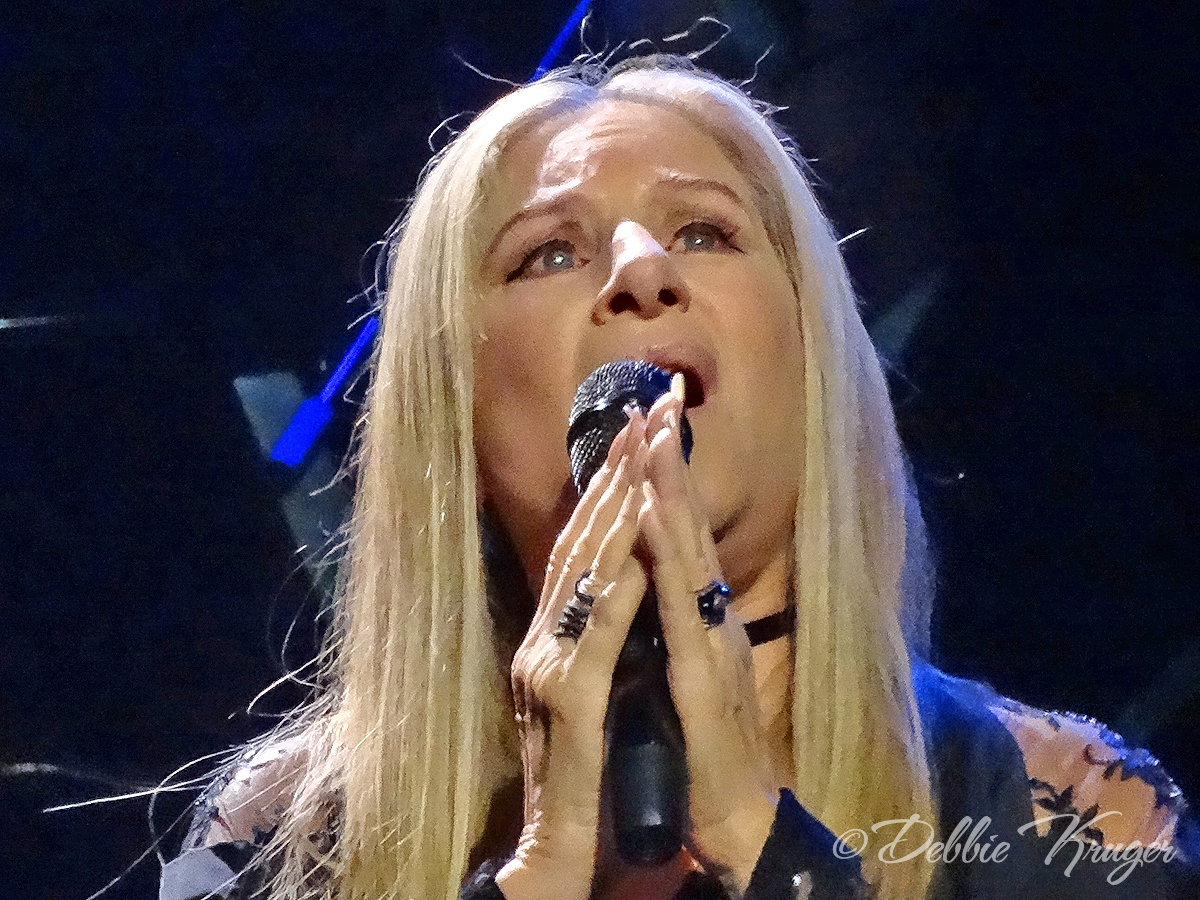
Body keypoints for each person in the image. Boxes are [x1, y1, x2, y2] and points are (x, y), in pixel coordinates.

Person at [159, 55, 1196, 900]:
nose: (640, 270)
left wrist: (766, 846)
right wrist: (539, 873)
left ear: (813, 371)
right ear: (457, 416)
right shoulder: (287, 838)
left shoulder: (1063, 811)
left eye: (704, 233)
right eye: (548, 254)